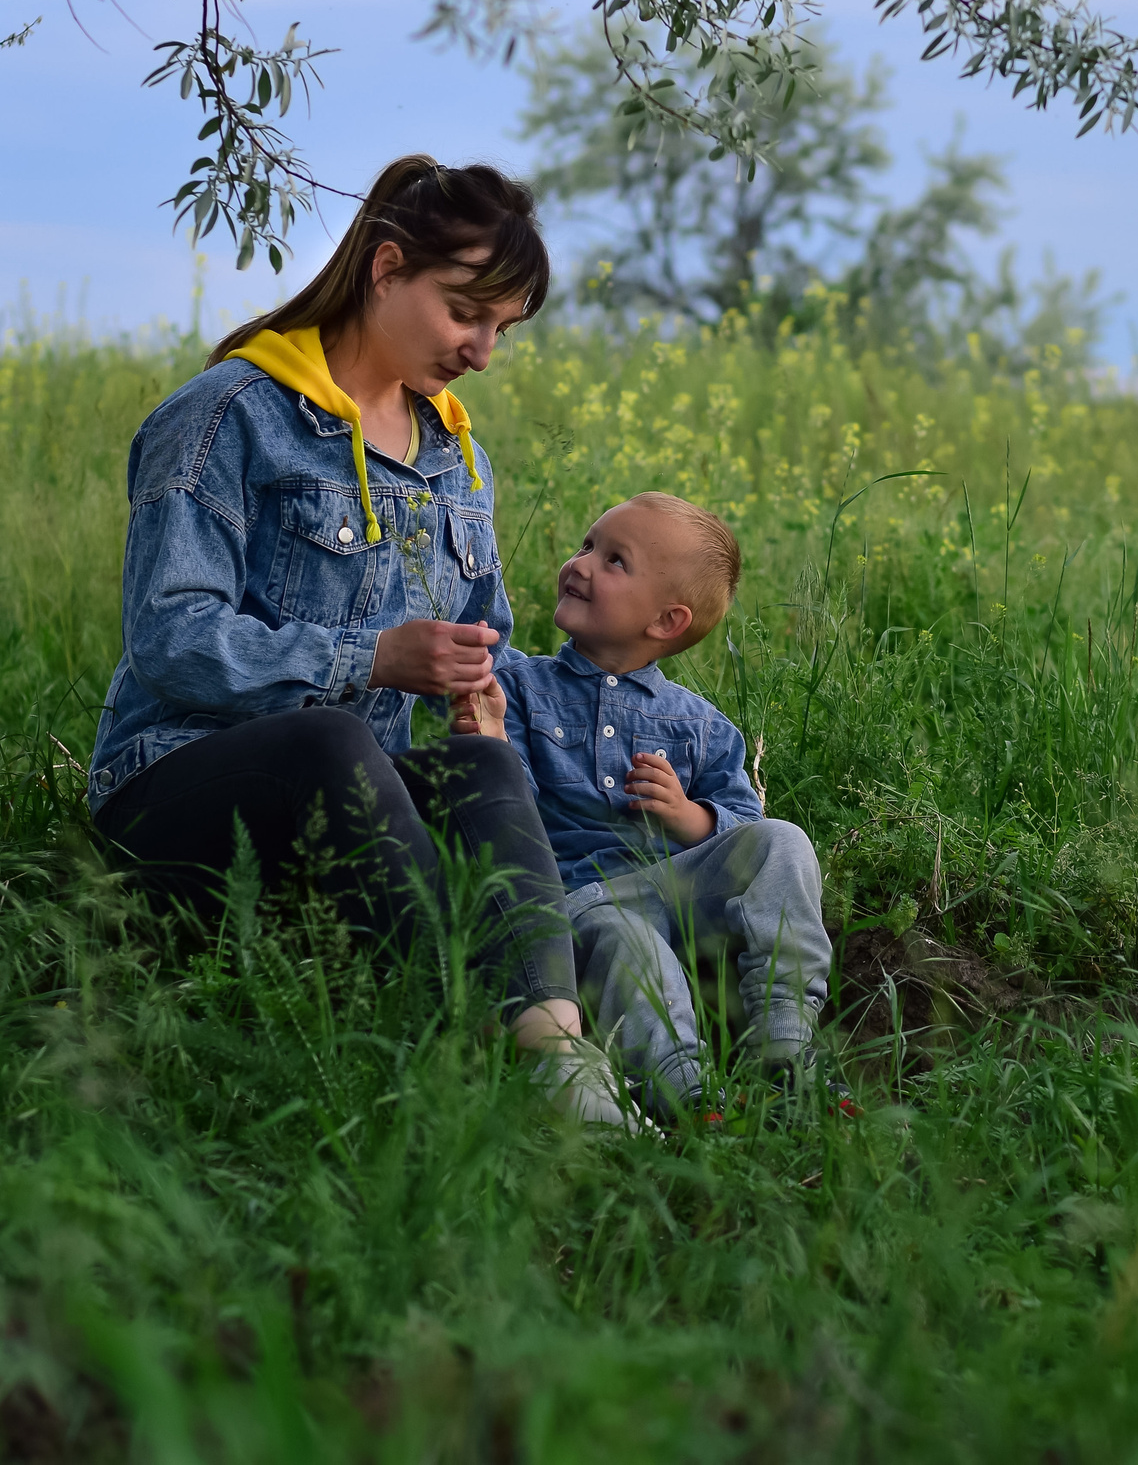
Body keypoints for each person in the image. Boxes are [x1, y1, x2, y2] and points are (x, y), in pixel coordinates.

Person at [86, 155, 634, 1127]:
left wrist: (478, 692)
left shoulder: (456, 457)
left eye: (503, 329)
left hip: (347, 819)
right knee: (328, 737)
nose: (482, 352)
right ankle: (459, 1052)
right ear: (386, 269)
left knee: (483, 771)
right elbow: (171, 636)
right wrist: (372, 659)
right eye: (466, 313)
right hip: (171, 793)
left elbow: (484, 640)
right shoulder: (225, 418)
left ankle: (559, 1066)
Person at [455, 493, 836, 1122]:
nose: (580, 564)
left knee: (785, 841)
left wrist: (691, 818)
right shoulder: (517, 686)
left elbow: (744, 825)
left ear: (665, 621)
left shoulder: (700, 726)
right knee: (625, 935)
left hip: (676, 892)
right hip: (576, 902)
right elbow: (505, 811)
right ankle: (684, 1092)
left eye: (614, 560)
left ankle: (785, 1045)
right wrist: (489, 736)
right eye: (587, 545)